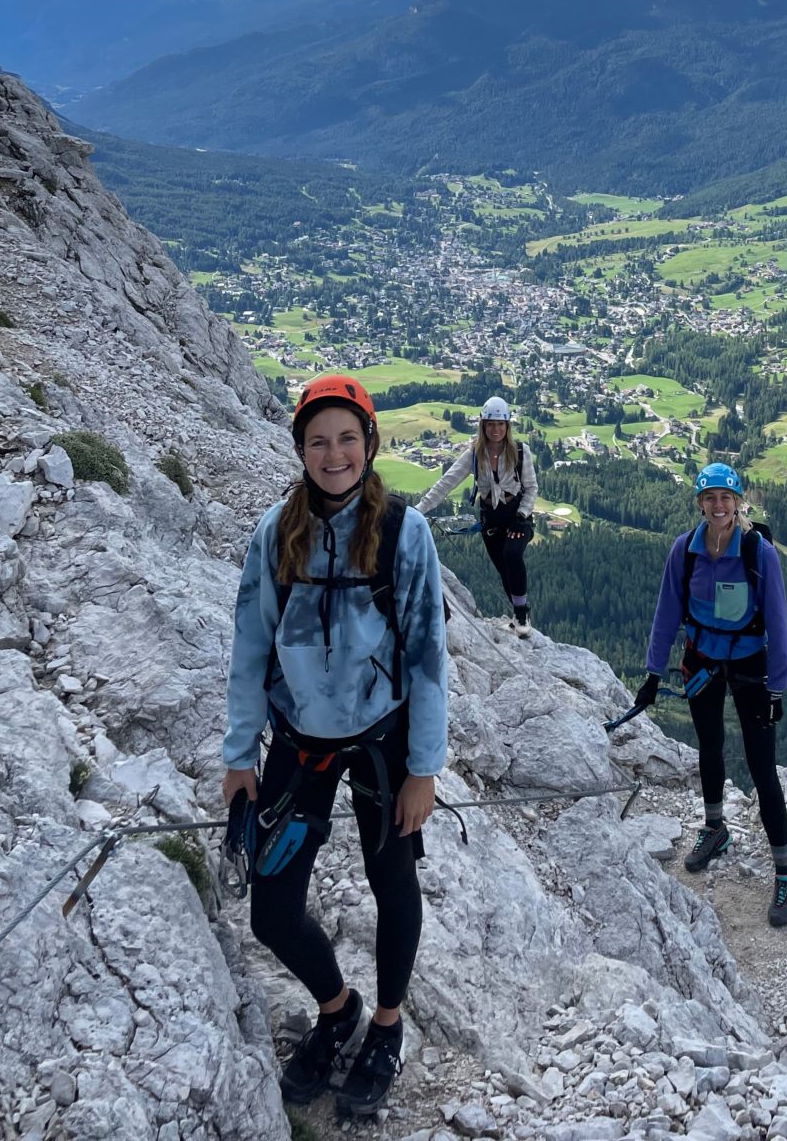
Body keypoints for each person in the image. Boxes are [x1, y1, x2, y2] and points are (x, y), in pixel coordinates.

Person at [222, 372, 447, 1119]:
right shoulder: (272, 533)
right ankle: (338, 1006)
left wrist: (425, 768)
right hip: (297, 743)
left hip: (385, 745)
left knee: (393, 884)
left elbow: (428, 658)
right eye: (318, 441)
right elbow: (250, 647)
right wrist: (237, 757)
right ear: (300, 450)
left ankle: (385, 1026)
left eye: (347, 438)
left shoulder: (405, 533)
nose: (334, 454)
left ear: (369, 443)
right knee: (272, 911)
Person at [634, 461, 787, 928]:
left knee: (763, 768)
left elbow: (779, 624)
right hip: (702, 659)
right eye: (711, 498)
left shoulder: (758, 552)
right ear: (700, 504)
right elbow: (667, 611)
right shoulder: (684, 551)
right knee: (709, 747)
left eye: (727, 498)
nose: (719, 506)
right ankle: (714, 827)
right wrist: (652, 672)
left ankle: (784, 873)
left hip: (749, 666)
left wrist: (777, 687)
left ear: (738, 502)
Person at [417, 395, 537, 634]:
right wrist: (419, 509)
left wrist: (521, 515)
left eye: (500, 424)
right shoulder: (474, 454)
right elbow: (447, 482)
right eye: (491, 424)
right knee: (505, 571)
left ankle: (523, 618)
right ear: (483, 426)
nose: (496, 429)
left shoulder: (521, 452)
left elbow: (531, 487)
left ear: (507, 426)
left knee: (512, 555)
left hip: (516, 518)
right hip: (491, 521)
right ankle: (517, 618)